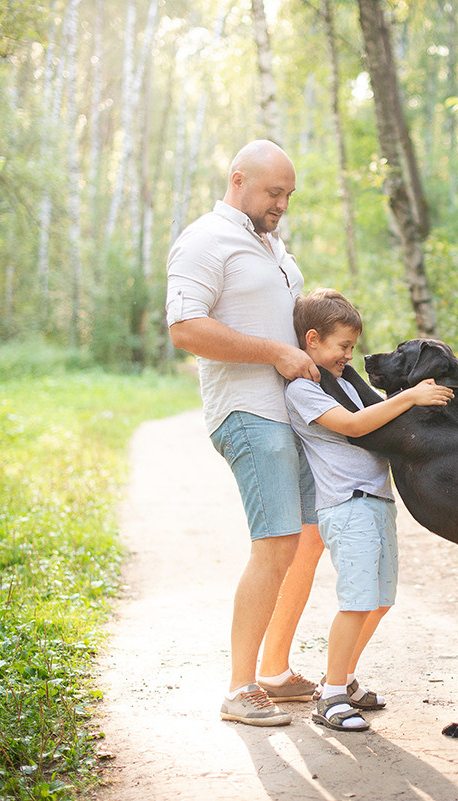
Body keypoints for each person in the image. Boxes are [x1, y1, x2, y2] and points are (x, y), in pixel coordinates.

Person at [165, 140, 324, 727]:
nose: (281, 203)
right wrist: (274, 353)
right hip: (247, 411)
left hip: (293, 413)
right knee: (276, 540)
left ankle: (275, 671)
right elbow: (184, 328)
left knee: (309, 536)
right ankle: (239, 688)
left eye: (287, 194)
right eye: (272, 192)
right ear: (238, 180)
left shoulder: (271, 246)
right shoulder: (206, 239)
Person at [283, 289, 454, 731]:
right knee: (357, 601)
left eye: (353, 347)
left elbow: (386, 421)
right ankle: (332, 697)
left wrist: (440, 403)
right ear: (312, 340)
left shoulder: (346, 384)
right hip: (346, 505)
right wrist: (411, 396)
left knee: (379, 601)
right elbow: (355, 426)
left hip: (377, 501)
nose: (349, 356)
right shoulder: (304, 390)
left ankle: (342, 677)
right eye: (343, 346)